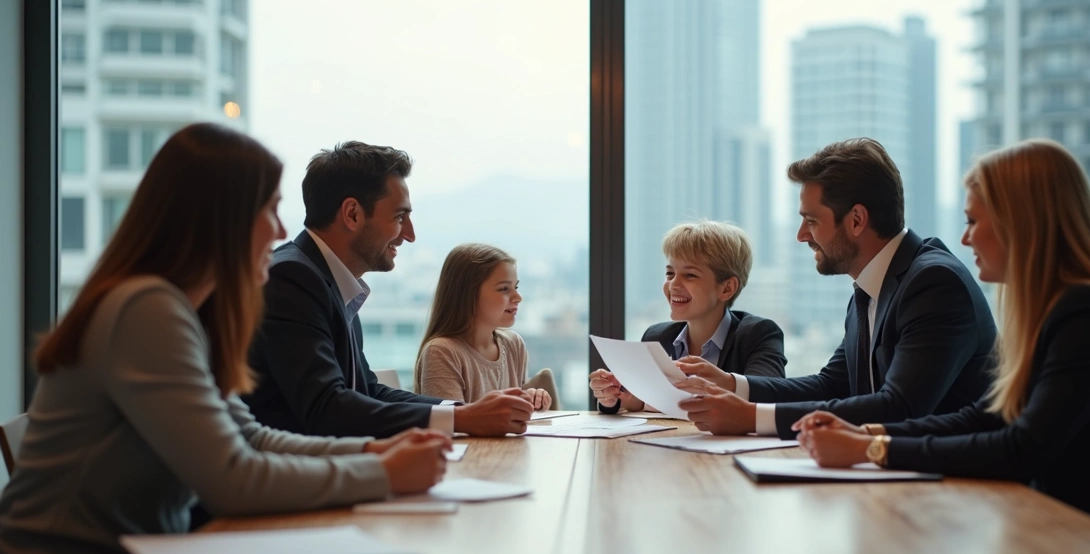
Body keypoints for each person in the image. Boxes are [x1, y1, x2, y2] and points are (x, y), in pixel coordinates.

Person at [0, 124, 450, 554]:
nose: (281, 231)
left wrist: (371, 451)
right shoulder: (144, 308)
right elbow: (231, 479)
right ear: (223, 219)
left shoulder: (183, 310)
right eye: (270, 211)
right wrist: (381, 472)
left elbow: (250, 437)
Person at [797, 139, 1090, 554]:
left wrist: (873, 450)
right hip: (1081, 550)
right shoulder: (1051, 311)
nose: (964, 236)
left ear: (1021, 222)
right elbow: (988, 417)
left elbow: (1021, 449)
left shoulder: (1089, 313)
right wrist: (866, 435)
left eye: (973, 220)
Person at [675, 138, 996, 438]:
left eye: (812, 221)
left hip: (954, 487)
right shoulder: (871, 287)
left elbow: (899, 407)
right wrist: (732, 385)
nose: (801, 235)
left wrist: (751, 417)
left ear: (856, 220)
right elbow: (833, 385)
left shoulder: (934, 283)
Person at [244, 142, 535, 438]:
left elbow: (367, 391)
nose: (409, 234)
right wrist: (463, 418)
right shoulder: (293, 279)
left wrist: (465, 412)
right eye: (399, 217)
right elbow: (327, 407)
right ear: (352, 214)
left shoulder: (329, 282)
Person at [590, 220, 785, 413]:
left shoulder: (758, 334)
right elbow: (645, 403)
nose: (673, 284)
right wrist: (618, 399)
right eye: (670, 273)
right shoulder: (656, 336)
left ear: (727, 288)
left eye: (690, 275)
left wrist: (722, 384)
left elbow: (771, 396)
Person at [415, 243, 549, 409]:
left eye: (516, 287)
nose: (518, 297)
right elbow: (450, 426)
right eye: (504, 289)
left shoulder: (514, 344)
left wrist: (533, 400)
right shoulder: (442, 352)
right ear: (467, 294)